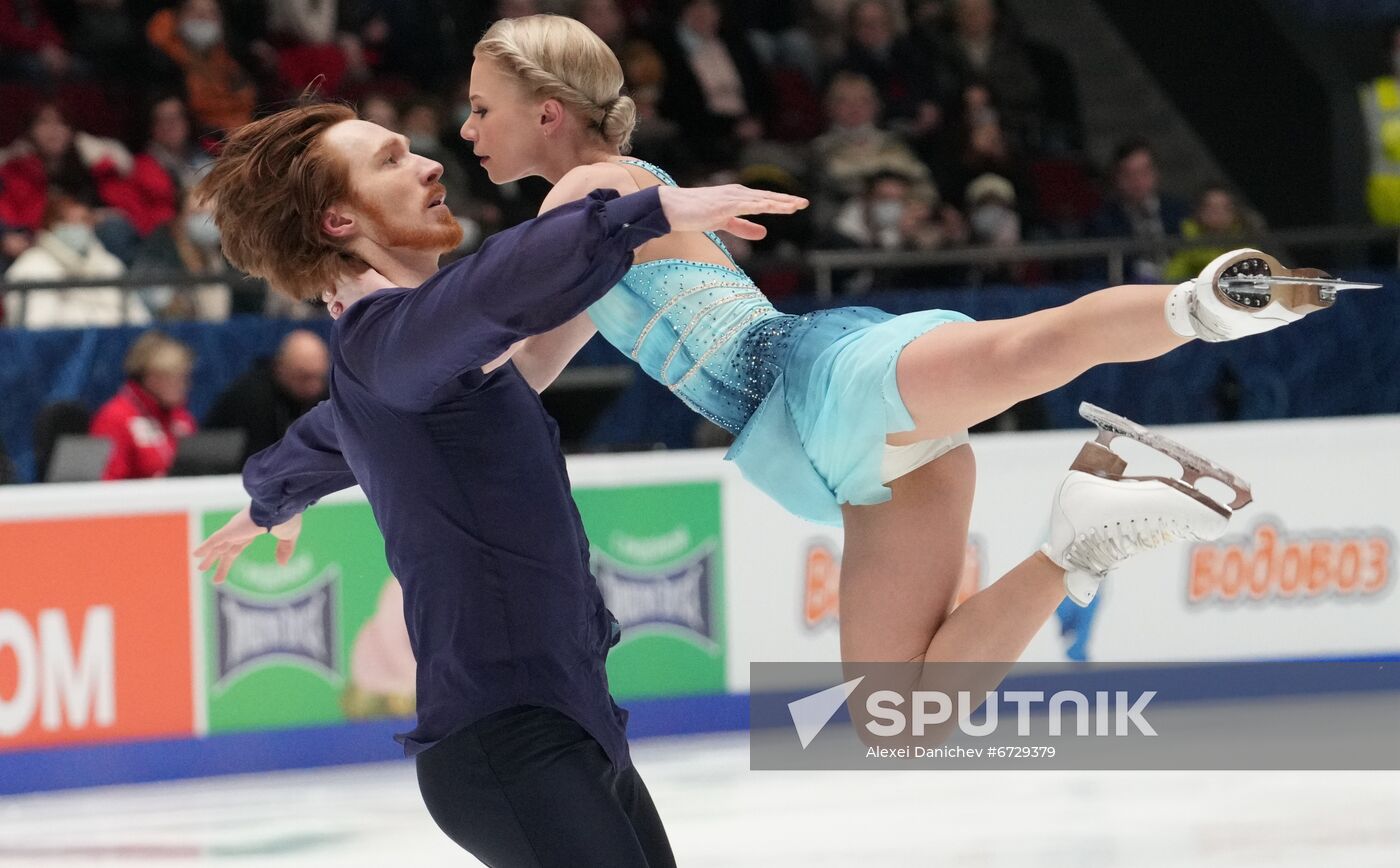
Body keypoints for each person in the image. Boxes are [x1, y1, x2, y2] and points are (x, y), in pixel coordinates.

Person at [458, 14, 1354, 674]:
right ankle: (1076, 545)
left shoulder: (582, 190)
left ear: (546, 112)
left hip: (815, 377)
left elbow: (497, 322)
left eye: (479, 108)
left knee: (1021, 351)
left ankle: (1206, 302)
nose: (466, 132)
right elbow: (527, 359)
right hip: (833, 448)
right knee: (902, 719)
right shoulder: (589, 220)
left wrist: (398, 327)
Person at [190, 101, 806, 866]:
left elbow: (331, 434)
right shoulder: (389, 345)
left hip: (573, 725)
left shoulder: (403, 361)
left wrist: (268, 499)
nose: (428, 162)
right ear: (339, 222)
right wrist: (638, 214)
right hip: (509, 747)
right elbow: (490, 293)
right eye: (389, 161)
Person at [4, 195, 149, 329]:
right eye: (71, 222)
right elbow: (36, 329)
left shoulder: (108, 263)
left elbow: (138, 317)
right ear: (52, 225)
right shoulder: (31, 267)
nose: (80, 228)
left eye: (85, 220)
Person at [205, 329, 330, 464]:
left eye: (319, 377)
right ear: (281, 368)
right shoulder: (252, 397)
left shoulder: (325, 396)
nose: (313, 387)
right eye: (303, 378)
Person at [90, 331, 197, 480]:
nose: (181, 386)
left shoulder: (181, 418)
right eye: (171, 378)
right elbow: (106, 482)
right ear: (147, 378)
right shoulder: (115, 418)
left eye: (183, 378)